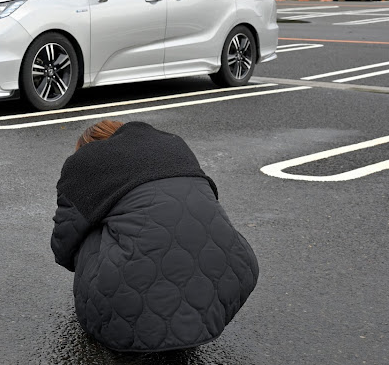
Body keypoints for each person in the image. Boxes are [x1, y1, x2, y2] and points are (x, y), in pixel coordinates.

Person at [51, 120, 259, 352]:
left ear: (87, 147)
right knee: (190, 226)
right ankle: (186, 321)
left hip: (124, 304)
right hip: (232, 279)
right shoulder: (174, 145)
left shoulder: (84, 163)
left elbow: (64, 243)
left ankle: (138, 312)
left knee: (89, 226)